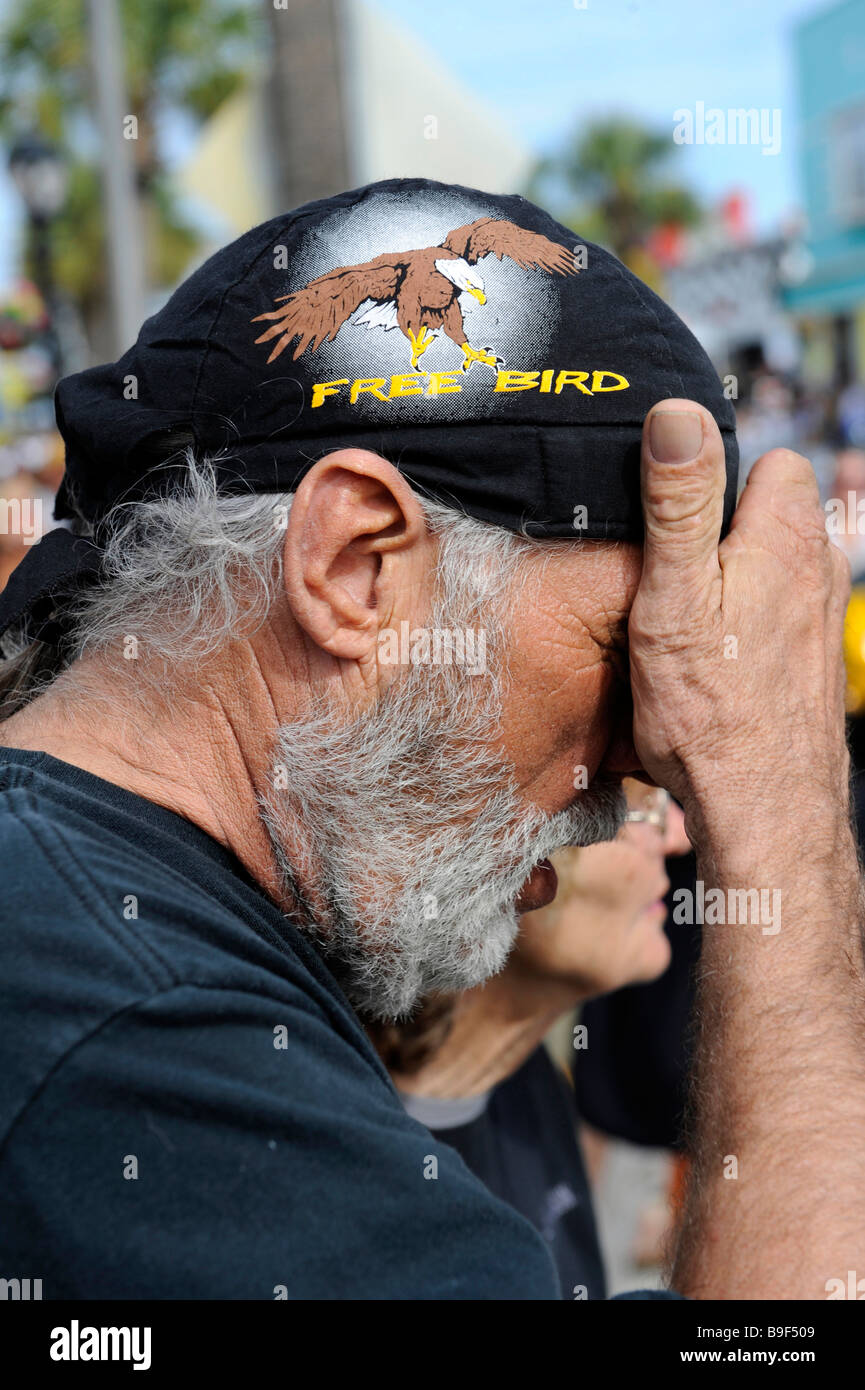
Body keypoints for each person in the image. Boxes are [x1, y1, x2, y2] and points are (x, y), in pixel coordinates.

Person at [0, 177, 860, 1300]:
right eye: (624, 652)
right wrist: (782, 798)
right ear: (353, 567)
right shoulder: (134, 1023)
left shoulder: (98, 932)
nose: (644, 757)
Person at [368, 779, 691, 1299]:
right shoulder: (355, 1151)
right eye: (635, 807)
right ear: (507, 858)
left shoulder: (529, 1082)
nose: (677, 835)